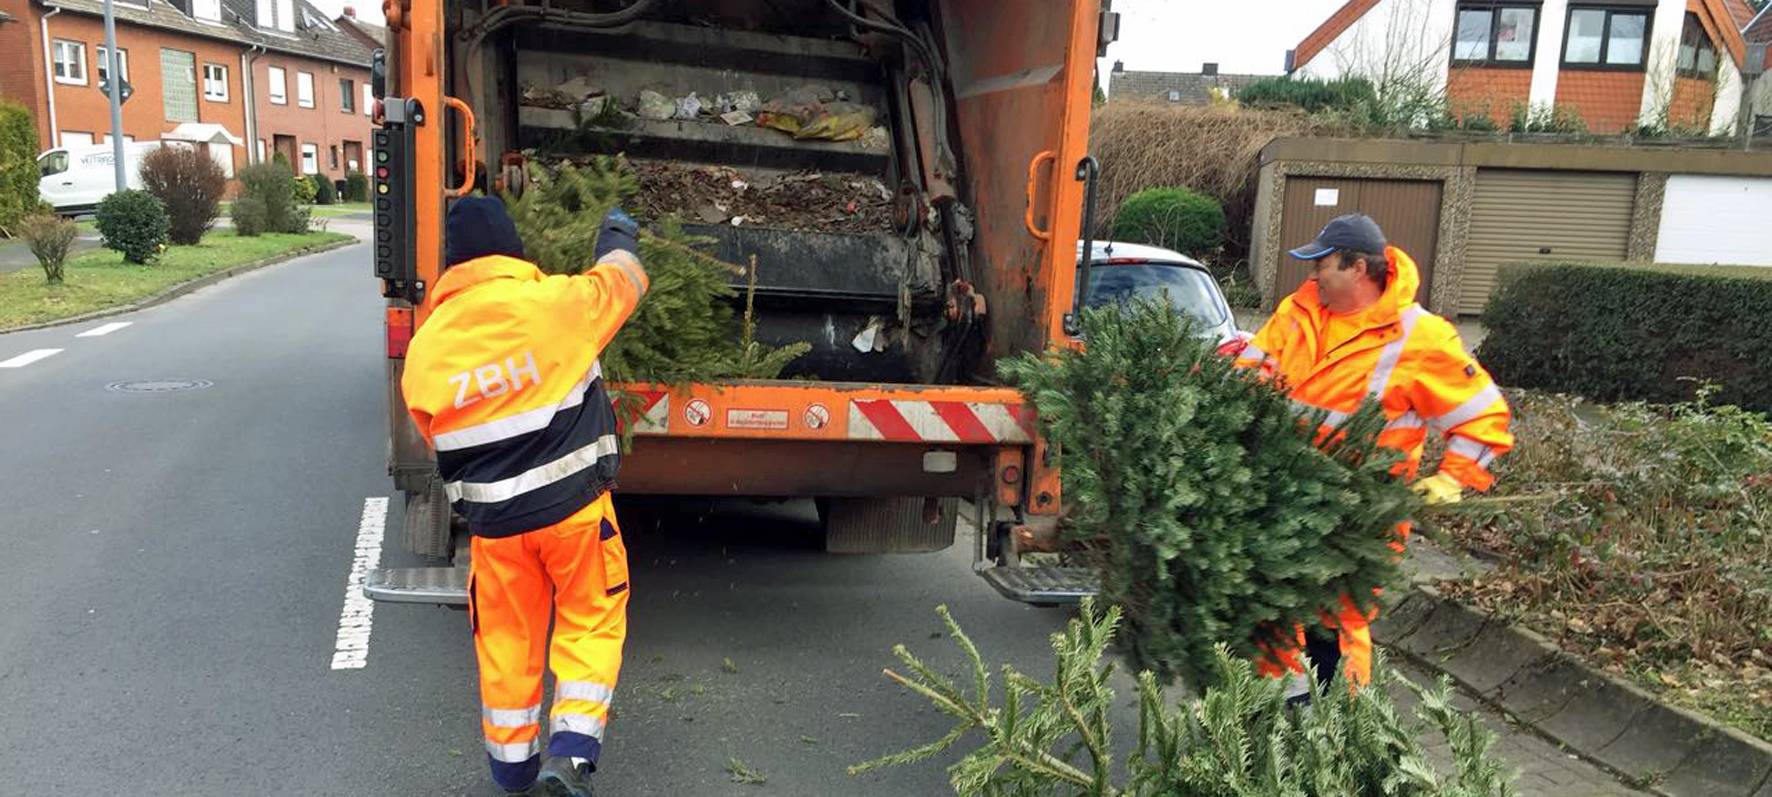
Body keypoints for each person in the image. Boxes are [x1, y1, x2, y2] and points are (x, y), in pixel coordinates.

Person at [401, 197, 649, 797]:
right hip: (575, 513)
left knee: (508, 642)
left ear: (452, 267)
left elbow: (432, 435)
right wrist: (616, 235)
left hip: (496, 530)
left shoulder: (426, 350)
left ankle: (513, 775)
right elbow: (626, 280)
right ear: (513, 251)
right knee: (590, 620)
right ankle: (570, 756)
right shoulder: (559, 304)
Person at [1228, 213, 1513, 698]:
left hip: (1358, 517)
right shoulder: (1297, 314)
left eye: (1323, 264)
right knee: (1270, 613)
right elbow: (1248, 379)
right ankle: (1271, 724)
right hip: (1279, 498)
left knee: (1334, 626)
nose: (1313, 274)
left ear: (1358, 267)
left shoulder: (1419, 338)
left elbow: (1483, 417)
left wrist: (1451, 479)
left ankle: (1338, 728)